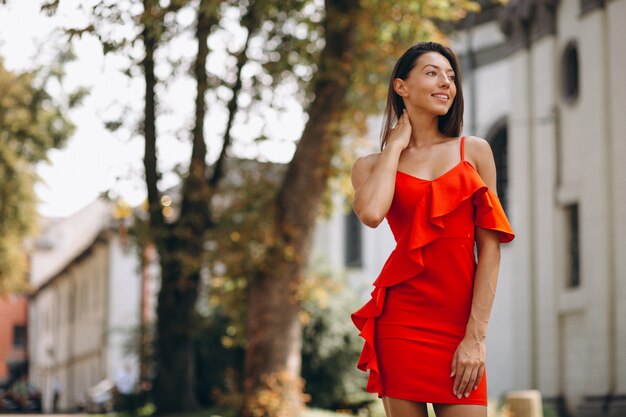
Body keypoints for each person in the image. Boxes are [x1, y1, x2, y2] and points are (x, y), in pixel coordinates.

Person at [350, 41, 515, 417]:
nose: (446, 83)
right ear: (401, 87)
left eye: (451, 76)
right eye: (432, 73)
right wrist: (393, 147)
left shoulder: (473, 152)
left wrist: (476, 336)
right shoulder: (369, 166)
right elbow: (373, 213)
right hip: (401, 323)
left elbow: (489, 249)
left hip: (460, 325)